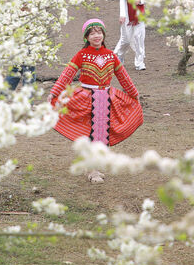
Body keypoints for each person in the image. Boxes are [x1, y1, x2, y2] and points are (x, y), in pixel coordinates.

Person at [49, 18, 143, 183]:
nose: (96, 36)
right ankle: (92, 170)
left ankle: (93, 166)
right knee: (89, 135)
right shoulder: (81, 55)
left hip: (106, 100)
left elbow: (123, 77)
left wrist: (134, 94)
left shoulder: (111, 55)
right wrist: (54, 92)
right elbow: (67, 75)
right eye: (92, 33)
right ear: (86, 37)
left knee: (101, 135)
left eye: (99, 32)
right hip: (85, 99)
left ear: (104, 35)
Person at [113, 0, 148, 71]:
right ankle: (119, 56)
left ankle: (139, 62)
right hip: (128, 15)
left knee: (139, 38)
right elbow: (122, 1)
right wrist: (122, 15)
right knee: (126, 39)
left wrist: (140, 1)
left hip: (139, 15)